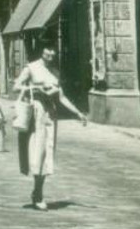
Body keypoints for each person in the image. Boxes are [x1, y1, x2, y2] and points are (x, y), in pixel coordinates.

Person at [13, 43, 87, 210]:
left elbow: (61, 97)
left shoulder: (55, 72)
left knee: (47, 152)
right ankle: (38, 194)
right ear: (42, 51)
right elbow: (16, 86)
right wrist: (35, 88)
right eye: (47, 52)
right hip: (36, 113)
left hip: (50, 115)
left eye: (53, 53)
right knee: (37, 152)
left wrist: (78, 113)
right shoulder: (31, 67)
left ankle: (38, 192)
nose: (50, 55)